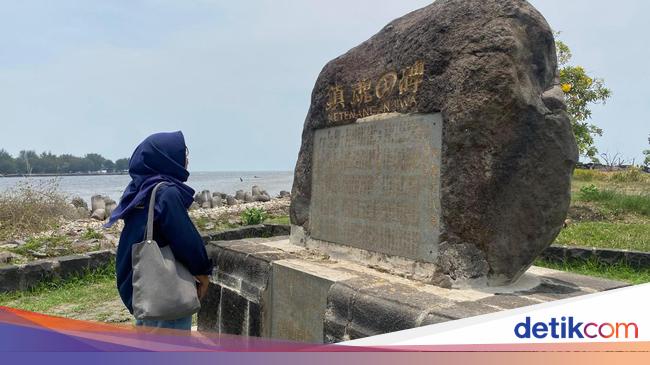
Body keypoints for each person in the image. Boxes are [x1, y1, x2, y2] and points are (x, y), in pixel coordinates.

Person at [105, 131, 212, 331]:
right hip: (166, 289)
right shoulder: (165, 192)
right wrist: (203, 273)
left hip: (143, 285)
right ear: (166, 157)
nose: (186, 158)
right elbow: (185, 238)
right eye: (183, 152)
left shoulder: (139, 190)